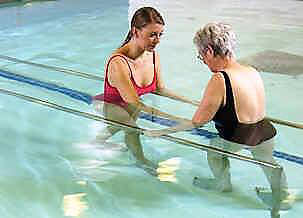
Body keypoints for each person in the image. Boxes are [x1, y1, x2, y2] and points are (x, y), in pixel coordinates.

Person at [144, 22, 290, 209]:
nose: (203, 61)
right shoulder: (250, 70)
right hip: (265, 130)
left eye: (201, 56)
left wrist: (162, 132)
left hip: (239, 135)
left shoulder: (220, 78)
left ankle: (223, 184)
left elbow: (198, 121)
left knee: (215, 152)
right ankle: (281, 198)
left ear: (210, 51)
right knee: (269, 162)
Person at [93, 7, 196, 175]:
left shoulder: (153, 55)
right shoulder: (118, 62)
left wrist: (193, 102)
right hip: (111, 104)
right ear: (135, 31)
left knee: (118, 128)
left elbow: (160, 89)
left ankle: (96, 142)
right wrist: (177, 120)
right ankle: (141, 162)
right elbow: (135, 102)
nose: (157, 40)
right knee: (133, 130)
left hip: (130, 104)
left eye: (160, 35)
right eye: (152, 35)